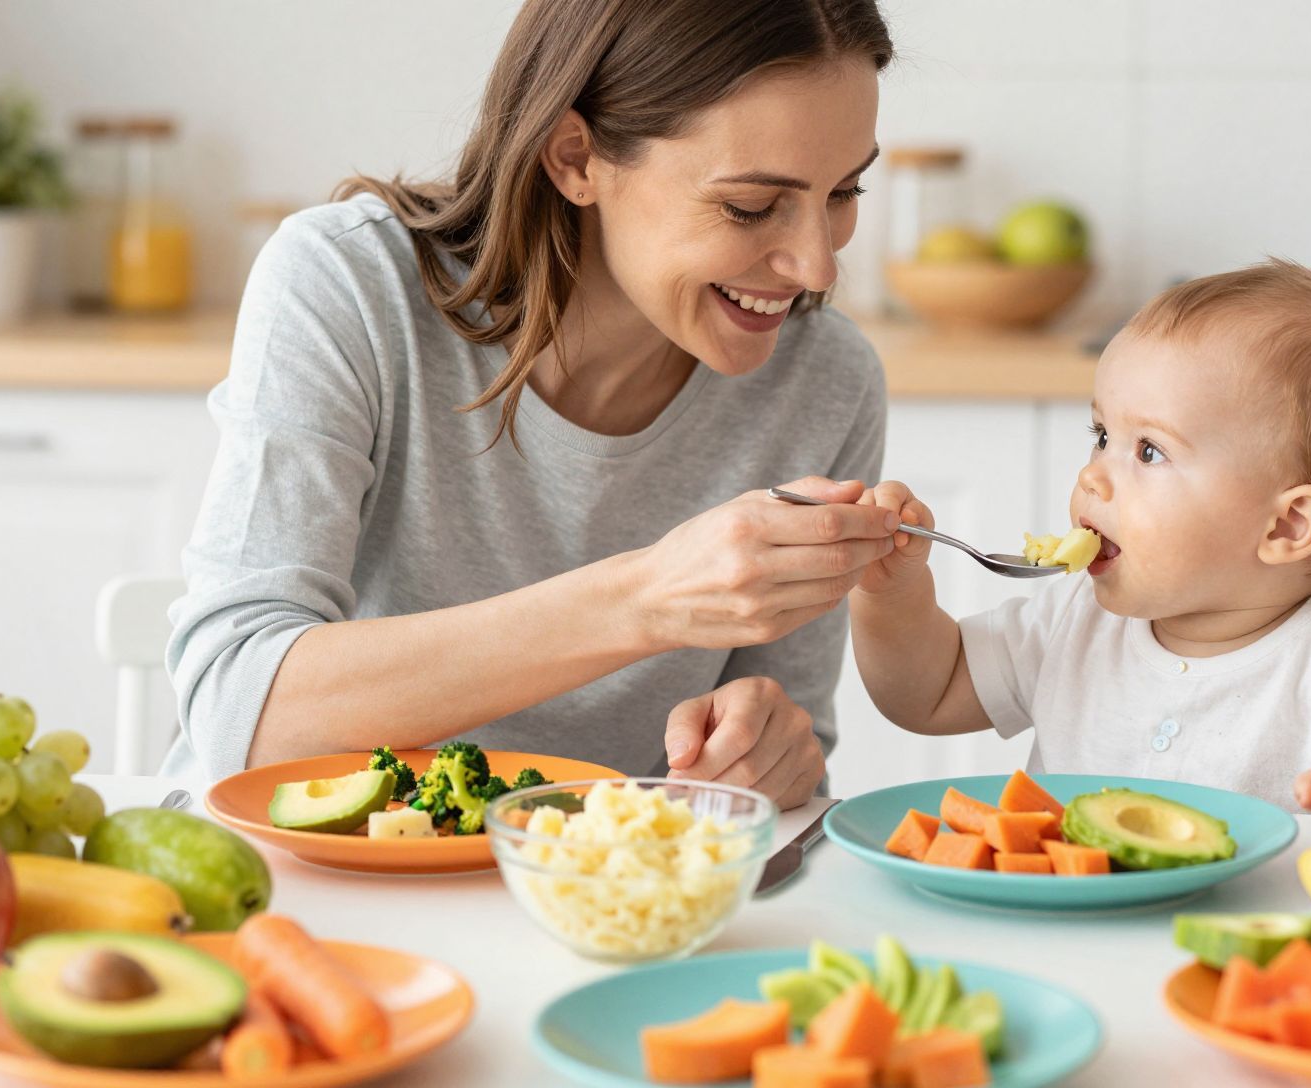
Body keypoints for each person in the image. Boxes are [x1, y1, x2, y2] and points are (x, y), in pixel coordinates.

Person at [162, 0, 899, 808]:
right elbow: (239, 707)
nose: (817, 266)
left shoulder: (825, 380)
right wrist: (645, 598)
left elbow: (787, 761)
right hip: (311, 877)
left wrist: (768, 750)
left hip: (596, 902)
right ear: (575, 157)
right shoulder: (347, 286)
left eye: (843, 191)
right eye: (751, 206)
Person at [848, 260, 1311, 849]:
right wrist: (889, 594)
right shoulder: (1072, 621)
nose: (1092, 476)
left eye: (1149, 452)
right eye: (1102, 436)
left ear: (1287, 524)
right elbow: (929, 691)